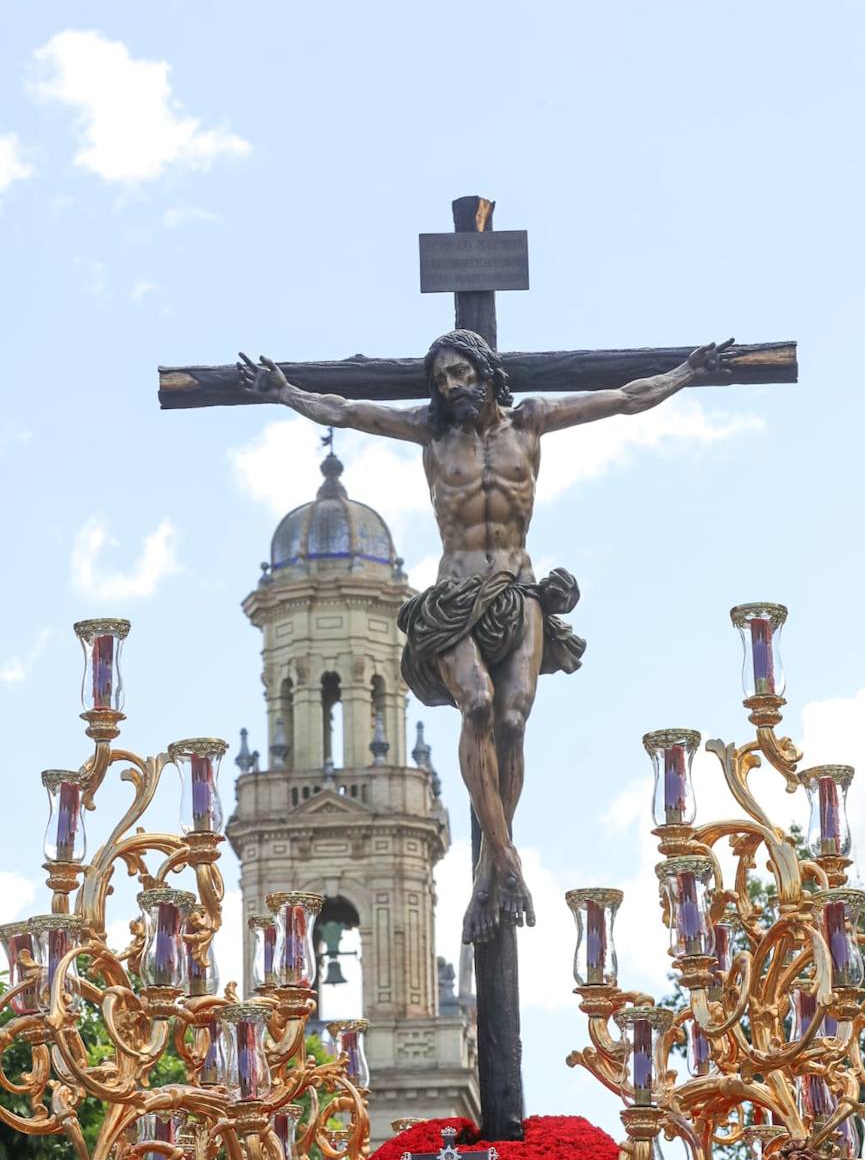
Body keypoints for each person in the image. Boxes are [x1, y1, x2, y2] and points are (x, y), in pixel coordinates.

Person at [237, 330, 733, 943]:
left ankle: (490, 863)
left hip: (517, 592)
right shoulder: (432, 433)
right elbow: (348, 411)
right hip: (455, 595)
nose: (450, 385)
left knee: (513, 723)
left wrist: (686, 371)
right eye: (440, 378)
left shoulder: (532, 422)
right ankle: (507, 861)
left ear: (484, 370)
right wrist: (285, 393)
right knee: (476, 705)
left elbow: (625, 398)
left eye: (459, 373)